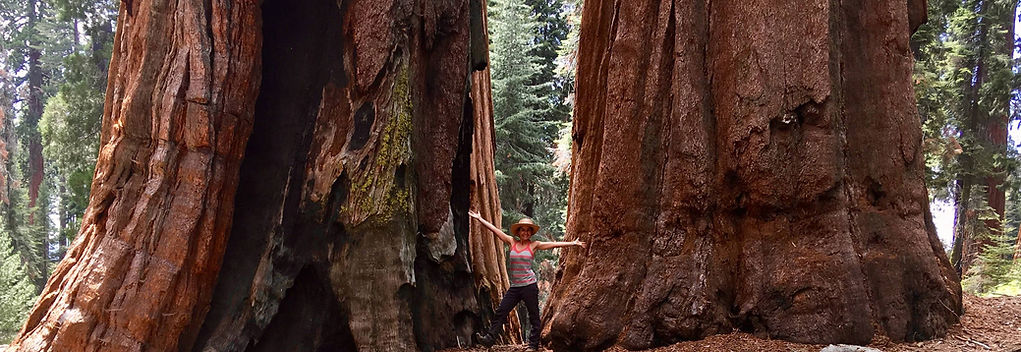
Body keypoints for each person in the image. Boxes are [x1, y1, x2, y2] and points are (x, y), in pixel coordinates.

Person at [469, 210, 586, 350]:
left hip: (529, 286)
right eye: (522, 230)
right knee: (501, 310)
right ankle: (490, 338)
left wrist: (573, 243)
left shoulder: (534, 245)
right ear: (518, 232)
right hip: (515, 287)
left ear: (531, 233)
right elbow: (495, 230)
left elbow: (554, 245)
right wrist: (480, 219)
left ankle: (533, 345)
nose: (525, 232)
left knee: (534, 316)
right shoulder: (511, 241)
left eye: (528, 230)